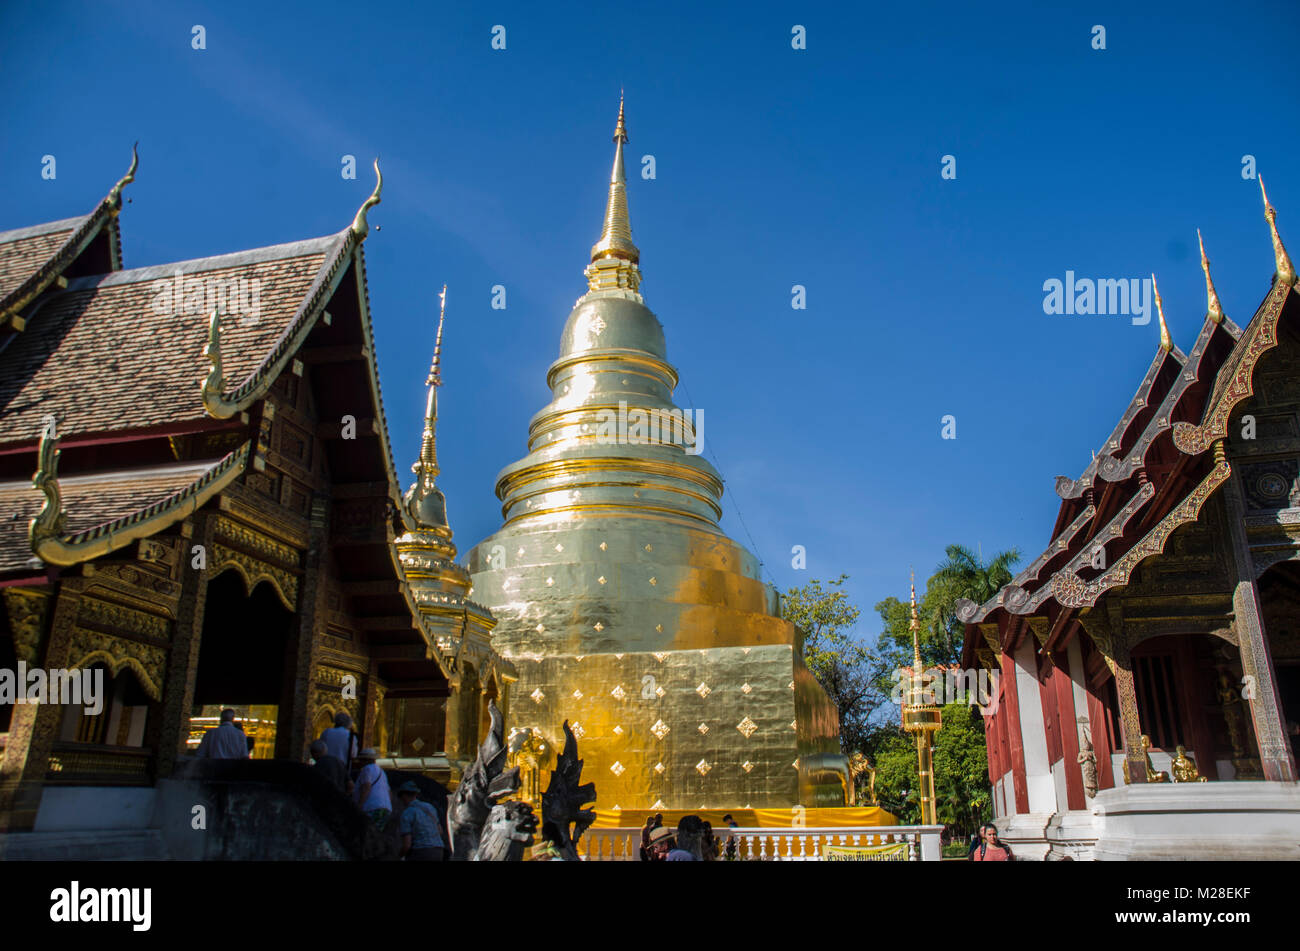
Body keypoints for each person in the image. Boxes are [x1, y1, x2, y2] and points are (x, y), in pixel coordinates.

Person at [395, 781, 445, 861]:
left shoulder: (407, 813)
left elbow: (407, 845)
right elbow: (440, 831)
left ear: (403, 796)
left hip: (420, 852)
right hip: (438, 851)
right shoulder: (430, 807)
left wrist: (399, 856)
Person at [353, 748, 392, 831]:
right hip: (386, 808)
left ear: (364, 760)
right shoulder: (382, 772)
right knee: (376, 834)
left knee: (367, 832)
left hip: (371, 807)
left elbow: (366, 787)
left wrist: (359, 805)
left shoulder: (367, 769)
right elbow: (389, 792)